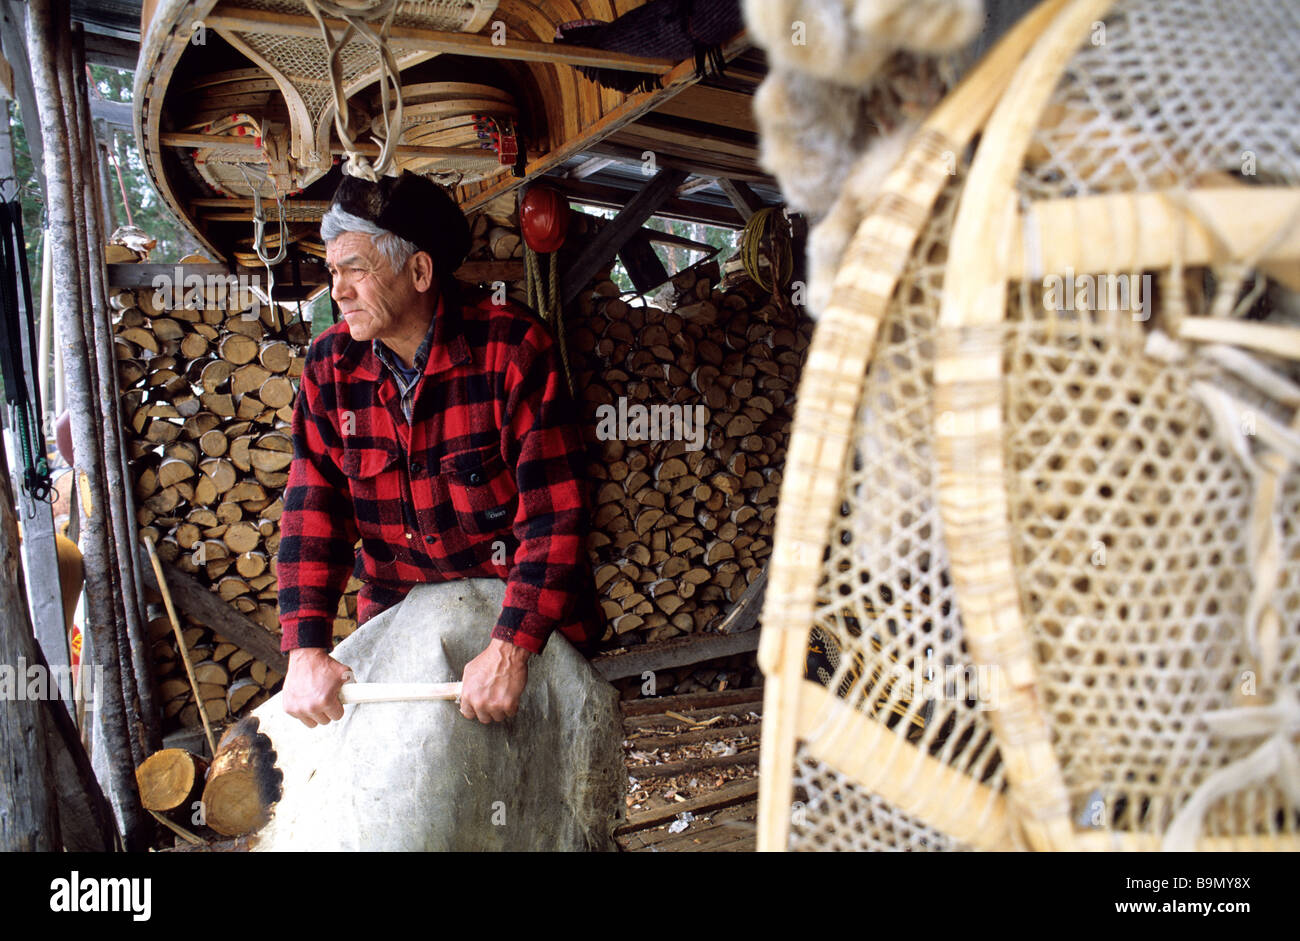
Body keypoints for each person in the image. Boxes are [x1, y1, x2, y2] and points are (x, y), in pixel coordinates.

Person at [276, 171, 601, 727]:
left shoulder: (512, 347)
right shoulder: (331, 365)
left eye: (356, 268)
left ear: (419, 270)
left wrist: (511, 649)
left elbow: (556, 514)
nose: (338, 291)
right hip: (399, 619)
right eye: (333, 271)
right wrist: (304, 649)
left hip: (517, 619)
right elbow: (314, 510)